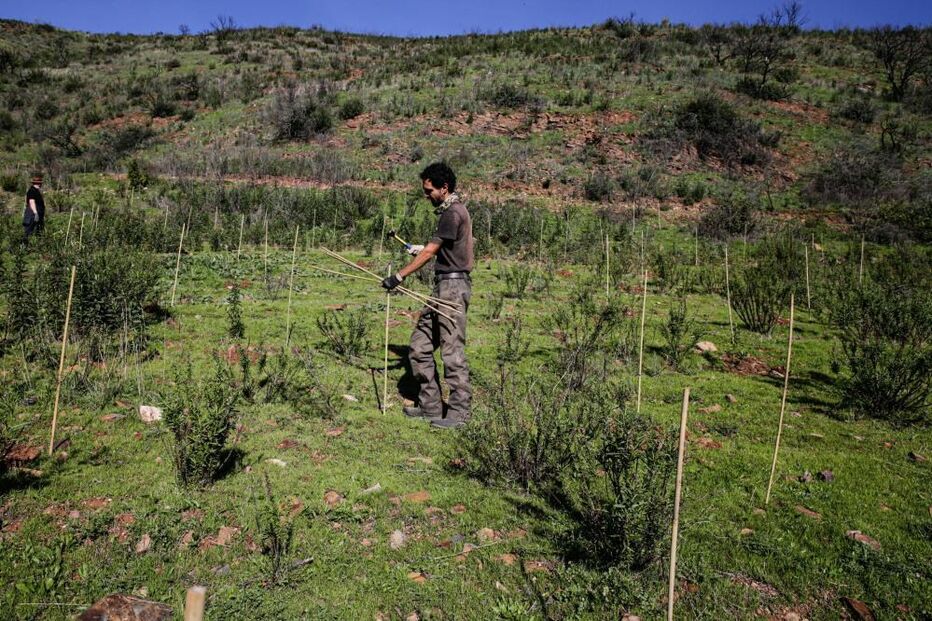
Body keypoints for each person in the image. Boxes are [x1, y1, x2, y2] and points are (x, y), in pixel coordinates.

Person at [382, 162, 473, 429]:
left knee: (451, 351)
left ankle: (459, 413)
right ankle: (431, 406)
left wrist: (399, 276)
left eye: (429, 190)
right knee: (420, 347)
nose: (426, 195)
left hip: (452, 290)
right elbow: (443, 248)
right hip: (442, 287)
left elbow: (431, 252)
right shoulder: (451, 211)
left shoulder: (452, 213)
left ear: (444, 188)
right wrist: (424, 248)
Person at [23, 174, 45, 240]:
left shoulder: (36, 191)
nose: (41, 185)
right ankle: (23, 247)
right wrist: (35, 213)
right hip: (32, 214)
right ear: (38, 183)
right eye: (40, 183)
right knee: (28, 232)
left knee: (38, 232)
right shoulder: (32, 190)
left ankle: (36, 247)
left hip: (36, 214)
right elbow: (31, 202)